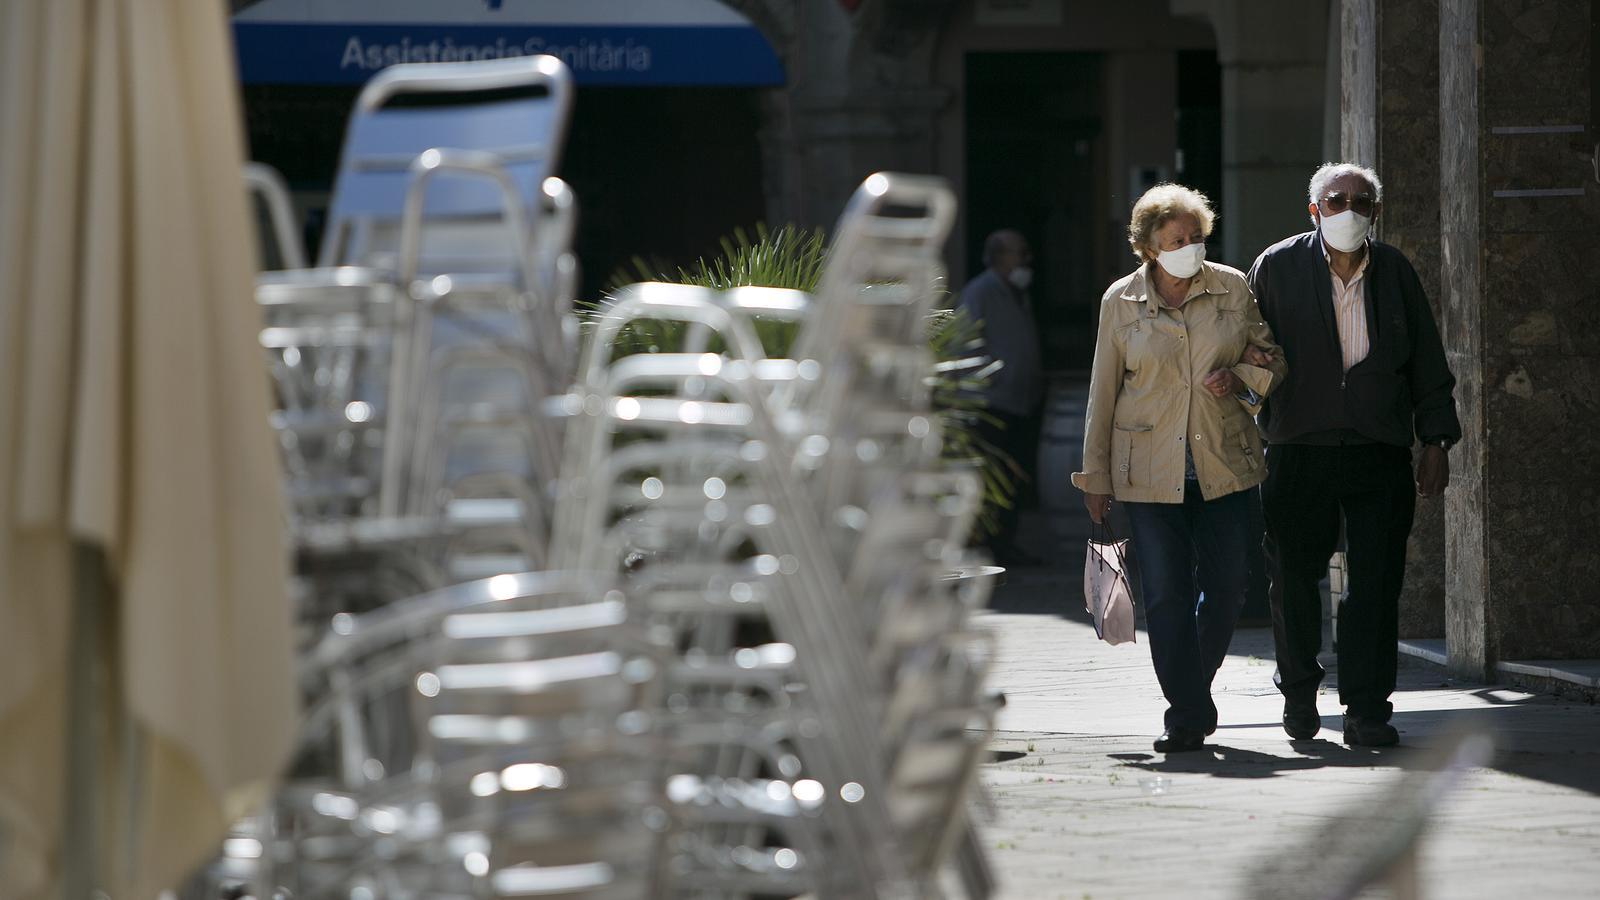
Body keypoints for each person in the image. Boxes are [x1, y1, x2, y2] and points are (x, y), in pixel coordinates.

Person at [1248, 162, 1460, 748]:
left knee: (1374, 584)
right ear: (1313, 210)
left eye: (1361, 201)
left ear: (1376, 212)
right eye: (1336, 200)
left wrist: (1436, 440)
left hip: (1377, 449)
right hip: (1298, 448)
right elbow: (1244, 351)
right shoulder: (1276, 266)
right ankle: (1298, 697)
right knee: (1293, 581)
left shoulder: (1393, 271)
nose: (1349, 210)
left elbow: (1427, 363)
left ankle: (1368, 709)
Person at [1072, 184, 1286, 753]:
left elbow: (1272, 360)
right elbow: (1103, 391)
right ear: (1147, 247)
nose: (1188, 248)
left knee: (1228, 586)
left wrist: (1241, 377)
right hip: (1146, 471)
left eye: (1195, 238)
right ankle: (1187, 713)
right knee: (1166, 593)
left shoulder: (1232, 287)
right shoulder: (1119, 302)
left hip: (1225, 463)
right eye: (1175, 240)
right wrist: (1095, 479)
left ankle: (1192, 690)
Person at [958, 229, 1045, 567]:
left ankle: (1006, 545)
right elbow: (965, 343)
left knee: (1013, 478)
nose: (1026, 260)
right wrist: (993, 378)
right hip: (991, 405)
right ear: (999, 257)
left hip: (1019, 402)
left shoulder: (1017, 292)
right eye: (1019, 253)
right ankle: (986, 548)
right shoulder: (981, 292)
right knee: (991, 480)